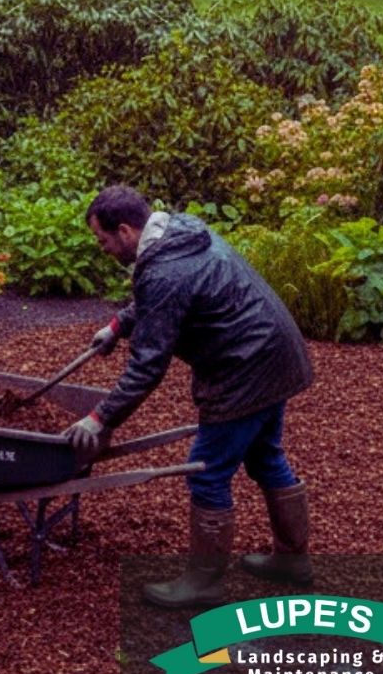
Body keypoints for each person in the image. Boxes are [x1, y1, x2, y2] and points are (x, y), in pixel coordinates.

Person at [67, 185, 315, 608]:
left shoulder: (165, 270)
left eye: (103, 240)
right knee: (265, 456)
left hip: (245, 368)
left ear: (126, 231)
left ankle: (204, 583)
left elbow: (148, 365)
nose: (102, 248)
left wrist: (100, 417)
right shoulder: (178, 233)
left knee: (207, 472)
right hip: (277, 354)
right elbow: (163, 299)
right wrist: (117, 325)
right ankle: (292, 561)